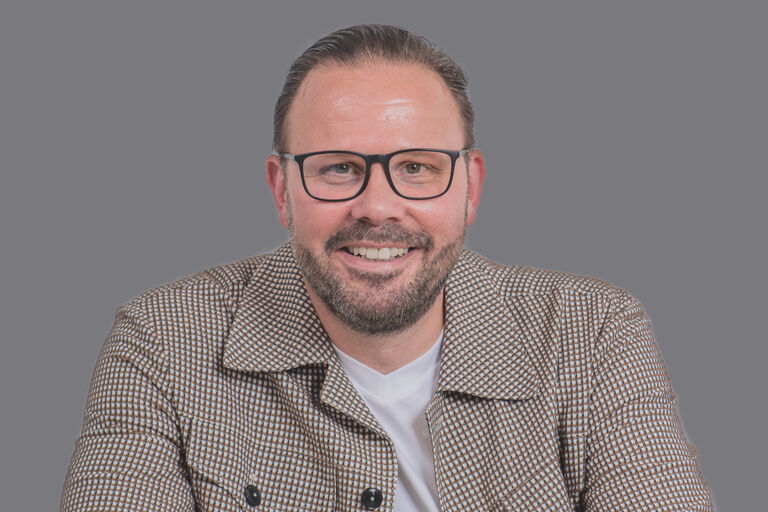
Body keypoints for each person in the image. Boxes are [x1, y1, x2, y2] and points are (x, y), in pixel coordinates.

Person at [61, 24, 713, 511]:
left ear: (471, 188)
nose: (377, 207)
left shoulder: (594, 333)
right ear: (282, 191)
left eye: (417, 168)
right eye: (338, 168)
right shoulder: (161, 340)